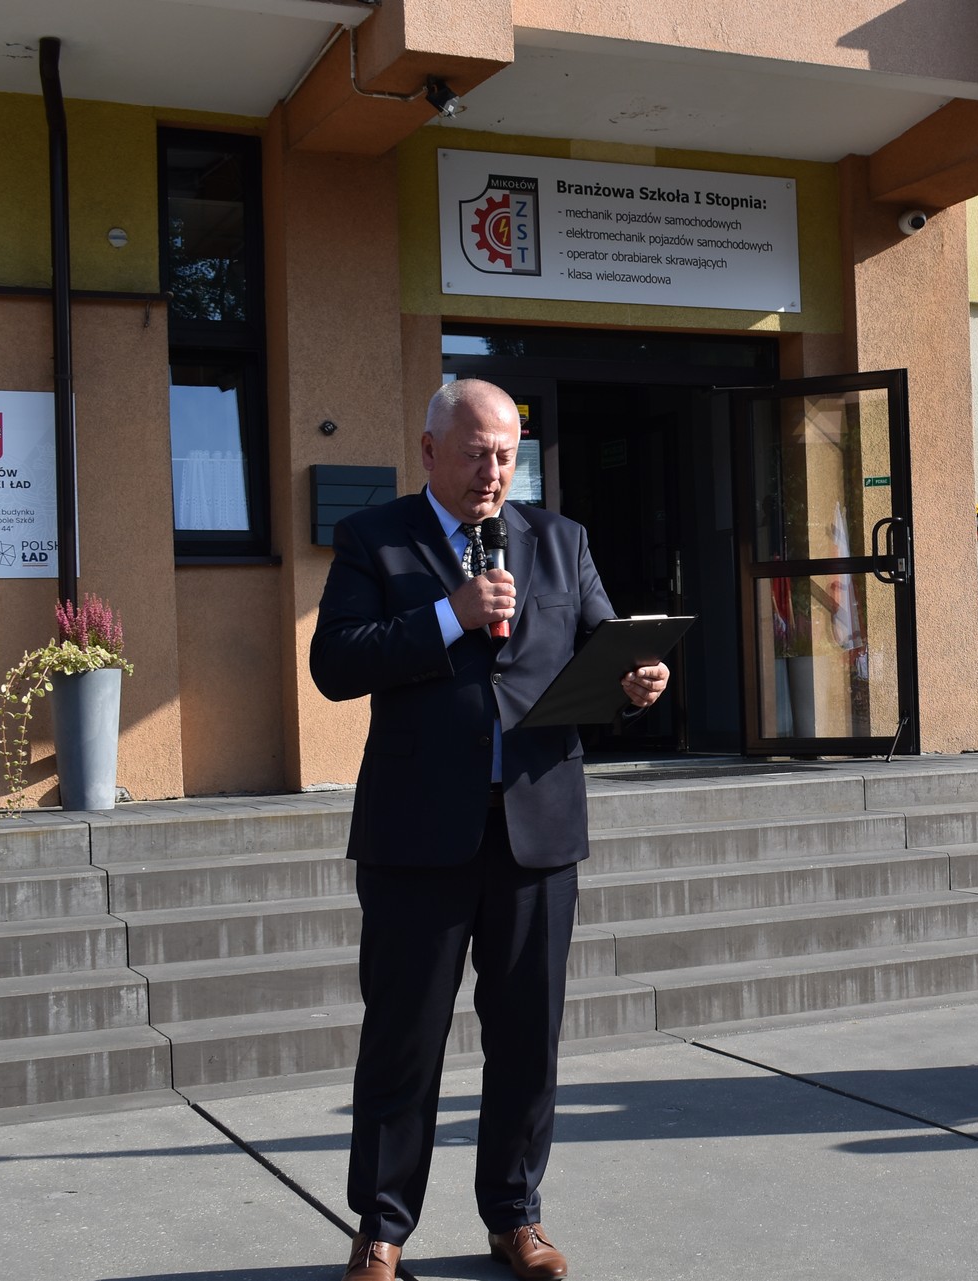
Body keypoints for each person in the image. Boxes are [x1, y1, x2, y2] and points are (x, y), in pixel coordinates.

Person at [310, 379, 669, 1281]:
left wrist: (638, 682)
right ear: (430, 450)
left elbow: (604, 647)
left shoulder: (561, 540)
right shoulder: (374, 538)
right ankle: (381, 1228)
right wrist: (451, 615)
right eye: (476, 453)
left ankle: (516, 1216)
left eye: (507, 454)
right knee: (403, 1042)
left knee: (527, 1039)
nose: (494, 471)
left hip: (536, 832)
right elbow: (336, 662)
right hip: (417, 836)